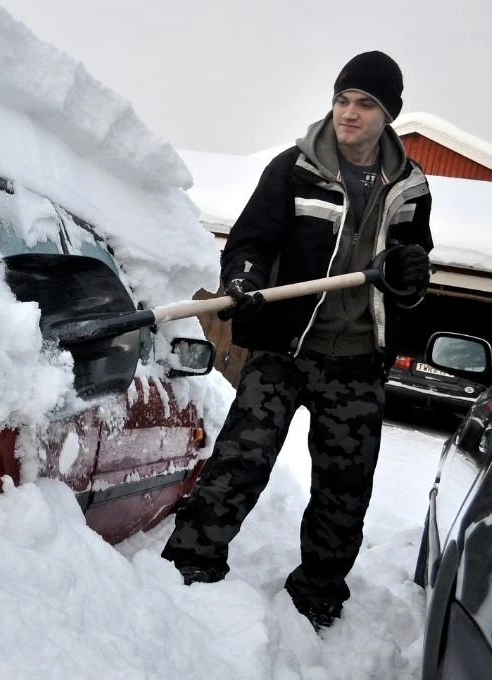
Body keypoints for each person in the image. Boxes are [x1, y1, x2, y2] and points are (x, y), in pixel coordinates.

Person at [161, 51, 433, 631]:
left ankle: (316, 597)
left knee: (344, 492)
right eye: (342, 100)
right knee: (241, 461)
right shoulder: (294, 168)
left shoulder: (411, 189)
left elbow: (412, 274)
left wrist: (411, 281)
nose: (349, 114)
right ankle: (189, 566)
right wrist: (243, 279)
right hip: (285, 349)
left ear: (389, 115)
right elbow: (250, 242)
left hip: (358, 361)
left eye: (365, 104)